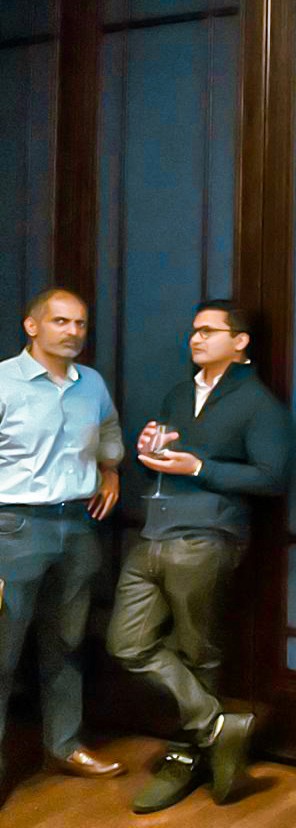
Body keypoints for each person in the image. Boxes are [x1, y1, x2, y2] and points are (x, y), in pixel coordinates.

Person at [106, 299, 293, 813]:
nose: (196, 338)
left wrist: (197, 467)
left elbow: (273, 477)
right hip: (153, 533)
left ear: (240, 341)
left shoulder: (257, 403)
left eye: (209, 331)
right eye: (194, 330)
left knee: (198, 652)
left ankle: (187, 756)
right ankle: (216, 726)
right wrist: (151, 450)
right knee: (126, 643)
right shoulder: (177, 393)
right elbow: (165, 459)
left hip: (206, 537)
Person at [0, 288, 126, 793]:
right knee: (2, 652)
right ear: (32, 326)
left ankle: (65, 745)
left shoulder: (90, 383)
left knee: (68, 643)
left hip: (77, 526)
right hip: (15, 528)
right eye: (60, 321)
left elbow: (109, 427)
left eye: (80, 323)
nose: (73, 331)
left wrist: (110, 469)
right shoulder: (4, 381)